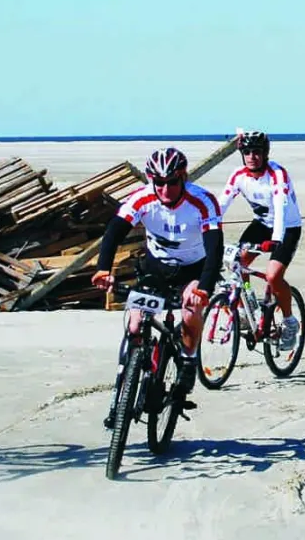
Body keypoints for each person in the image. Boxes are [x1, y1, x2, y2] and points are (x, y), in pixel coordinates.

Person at [91, 146, 223, 427]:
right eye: (158, 182)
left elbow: (215, 248)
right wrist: (103, 268)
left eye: (171, 182)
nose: (164, 189)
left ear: (183, 177)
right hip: (156, 268)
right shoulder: (142, 198)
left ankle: (188, 360)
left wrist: (204, 287)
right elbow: (114, 231)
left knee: (190, 312)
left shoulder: (203, 202)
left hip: (194, 269)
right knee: (135, 325)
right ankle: (122, 391)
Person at [218, 130, 303, 349]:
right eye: (247, 152)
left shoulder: (276, 174)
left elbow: (280, 207)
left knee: (273, 276)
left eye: (257, 152)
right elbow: (221, 205)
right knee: (237, 263)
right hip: (261, 224)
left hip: (286, 227)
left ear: (265, 153)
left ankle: (289, 321)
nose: (252, 156)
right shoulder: (238, 175)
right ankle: (250, 307)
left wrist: (275, 240)